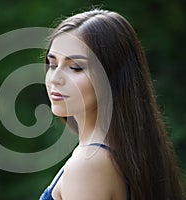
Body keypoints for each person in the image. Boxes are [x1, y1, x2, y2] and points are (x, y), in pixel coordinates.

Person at [39, 9, 185, 200]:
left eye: (75, 67)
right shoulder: (134, 152)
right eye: (52, 64)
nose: (55, 78)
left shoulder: (87, 165)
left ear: (111, 76)